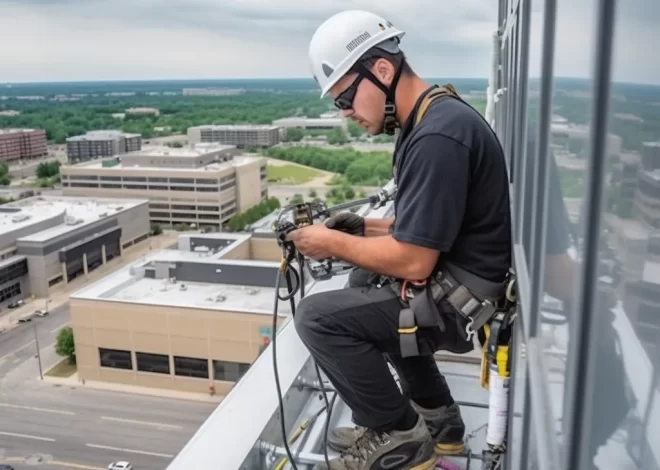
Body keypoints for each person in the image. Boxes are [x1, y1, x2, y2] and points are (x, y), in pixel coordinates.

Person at [285, 10, 513, 470]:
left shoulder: (438, 136)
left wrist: (328, 244)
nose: (346, 112)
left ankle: (399, 438)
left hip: (463, 299)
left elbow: (414, 261)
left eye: (345, 97)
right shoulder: (431, 117)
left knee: (317, 318)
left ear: (382, 71)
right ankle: (439, 424)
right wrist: (360, 229)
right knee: (365, 278)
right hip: (462, 277)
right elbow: (429, 227)